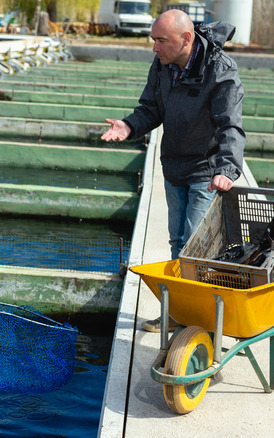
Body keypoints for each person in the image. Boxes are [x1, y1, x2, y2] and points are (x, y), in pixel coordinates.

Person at [101, 10, 245, 332]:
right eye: (154, 40)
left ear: (187, 39)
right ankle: (180, 313)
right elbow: (151, 109)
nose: (155, 47)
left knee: (195, 246)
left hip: (205, 173)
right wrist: (129, 125)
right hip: (174, 166)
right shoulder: (163, 65)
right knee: (178, 242)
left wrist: (227, 169)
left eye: (161, 40)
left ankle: (198, 318)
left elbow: (230, 126)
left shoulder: (220, 70)